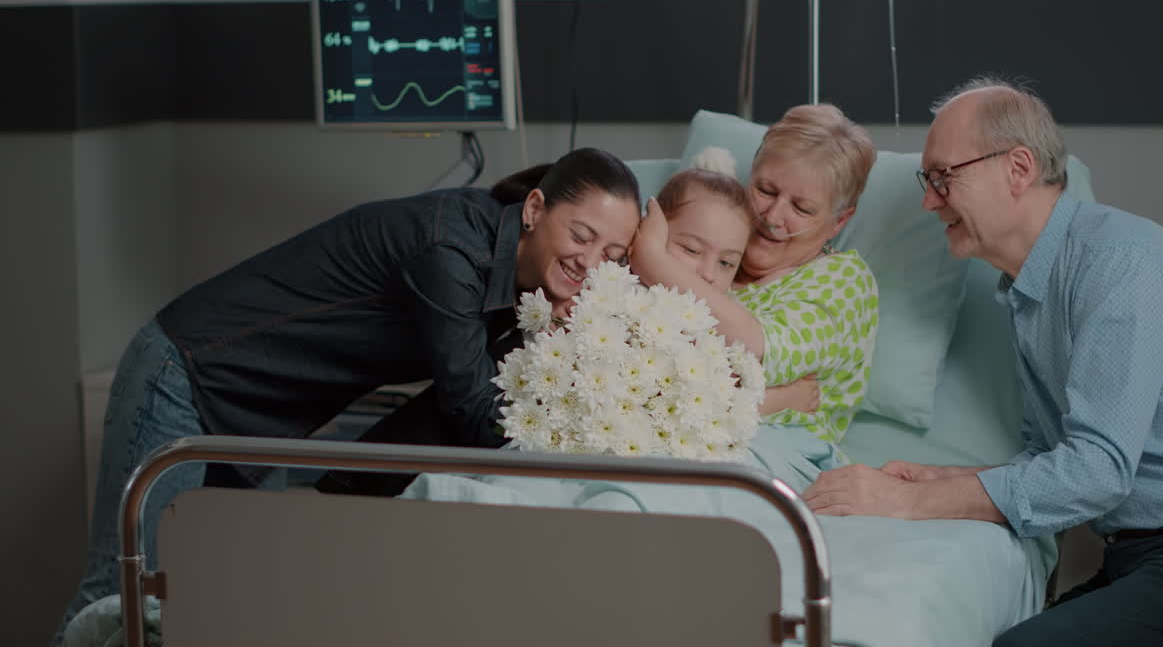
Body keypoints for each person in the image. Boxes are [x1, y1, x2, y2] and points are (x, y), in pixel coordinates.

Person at [53, 147, 643, 646]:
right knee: (120, 596)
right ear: (536, 209)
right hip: (186, 374)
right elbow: (470, 409)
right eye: (581, 235)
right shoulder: (451, 251)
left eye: (611, 257)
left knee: (208, 608)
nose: (590, 264)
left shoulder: (524, 282)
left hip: (263, 420)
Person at [801, 76, 1163, 646]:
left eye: (941, 177)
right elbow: (1056, 456)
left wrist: (909, 502)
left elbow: (1098, 471)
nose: (929, 200)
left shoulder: (1118, 262)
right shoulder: (1028, 292)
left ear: (1018, 168)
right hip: (1159, 554)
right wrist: (947, 476)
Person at [631, 104, 880, 444]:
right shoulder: (712, 241)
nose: (773, 216)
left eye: (801, 208)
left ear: (839, 221)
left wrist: (650, 257)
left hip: (773, 452)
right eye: (765, 190)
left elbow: (759, 349)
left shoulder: (846, 279)